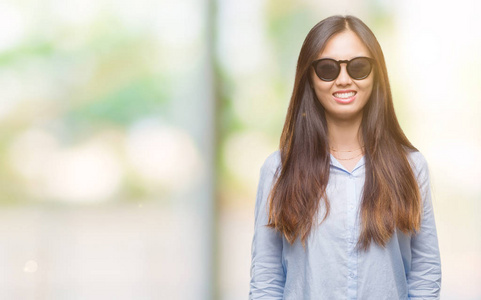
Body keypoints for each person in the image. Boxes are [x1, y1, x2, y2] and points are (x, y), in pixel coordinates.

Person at [249, 15, 441, 299]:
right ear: (309, 78)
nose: (343, 79)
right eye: (327, 69)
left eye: (358, 67)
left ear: (376, 74)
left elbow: (425, 274)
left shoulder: (411, 167)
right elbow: (266, 280)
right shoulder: (279, 170)